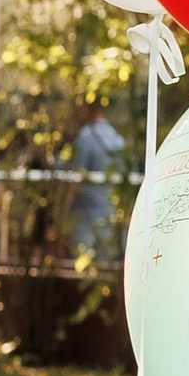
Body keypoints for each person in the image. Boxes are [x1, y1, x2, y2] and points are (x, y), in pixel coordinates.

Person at [69, 101, 126, 265]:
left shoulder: (85, 136)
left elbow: (76, 177)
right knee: (105, 261)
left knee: (81, 259)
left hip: (85, 211)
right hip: (110, 209)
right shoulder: (117, 138)